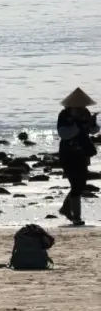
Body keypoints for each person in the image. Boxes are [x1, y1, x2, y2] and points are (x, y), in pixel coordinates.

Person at [57, 87, 99, 226]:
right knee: (76, 184)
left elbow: (93, 131)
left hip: (83, 153)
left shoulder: (85, 113)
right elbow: (64, 134)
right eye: (78, 107)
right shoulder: (63, 116)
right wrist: (79, 125)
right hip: (68, 154)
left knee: (80, 184)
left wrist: (92, 124)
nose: (81, 109)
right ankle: (76, 216)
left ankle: (66, 208)